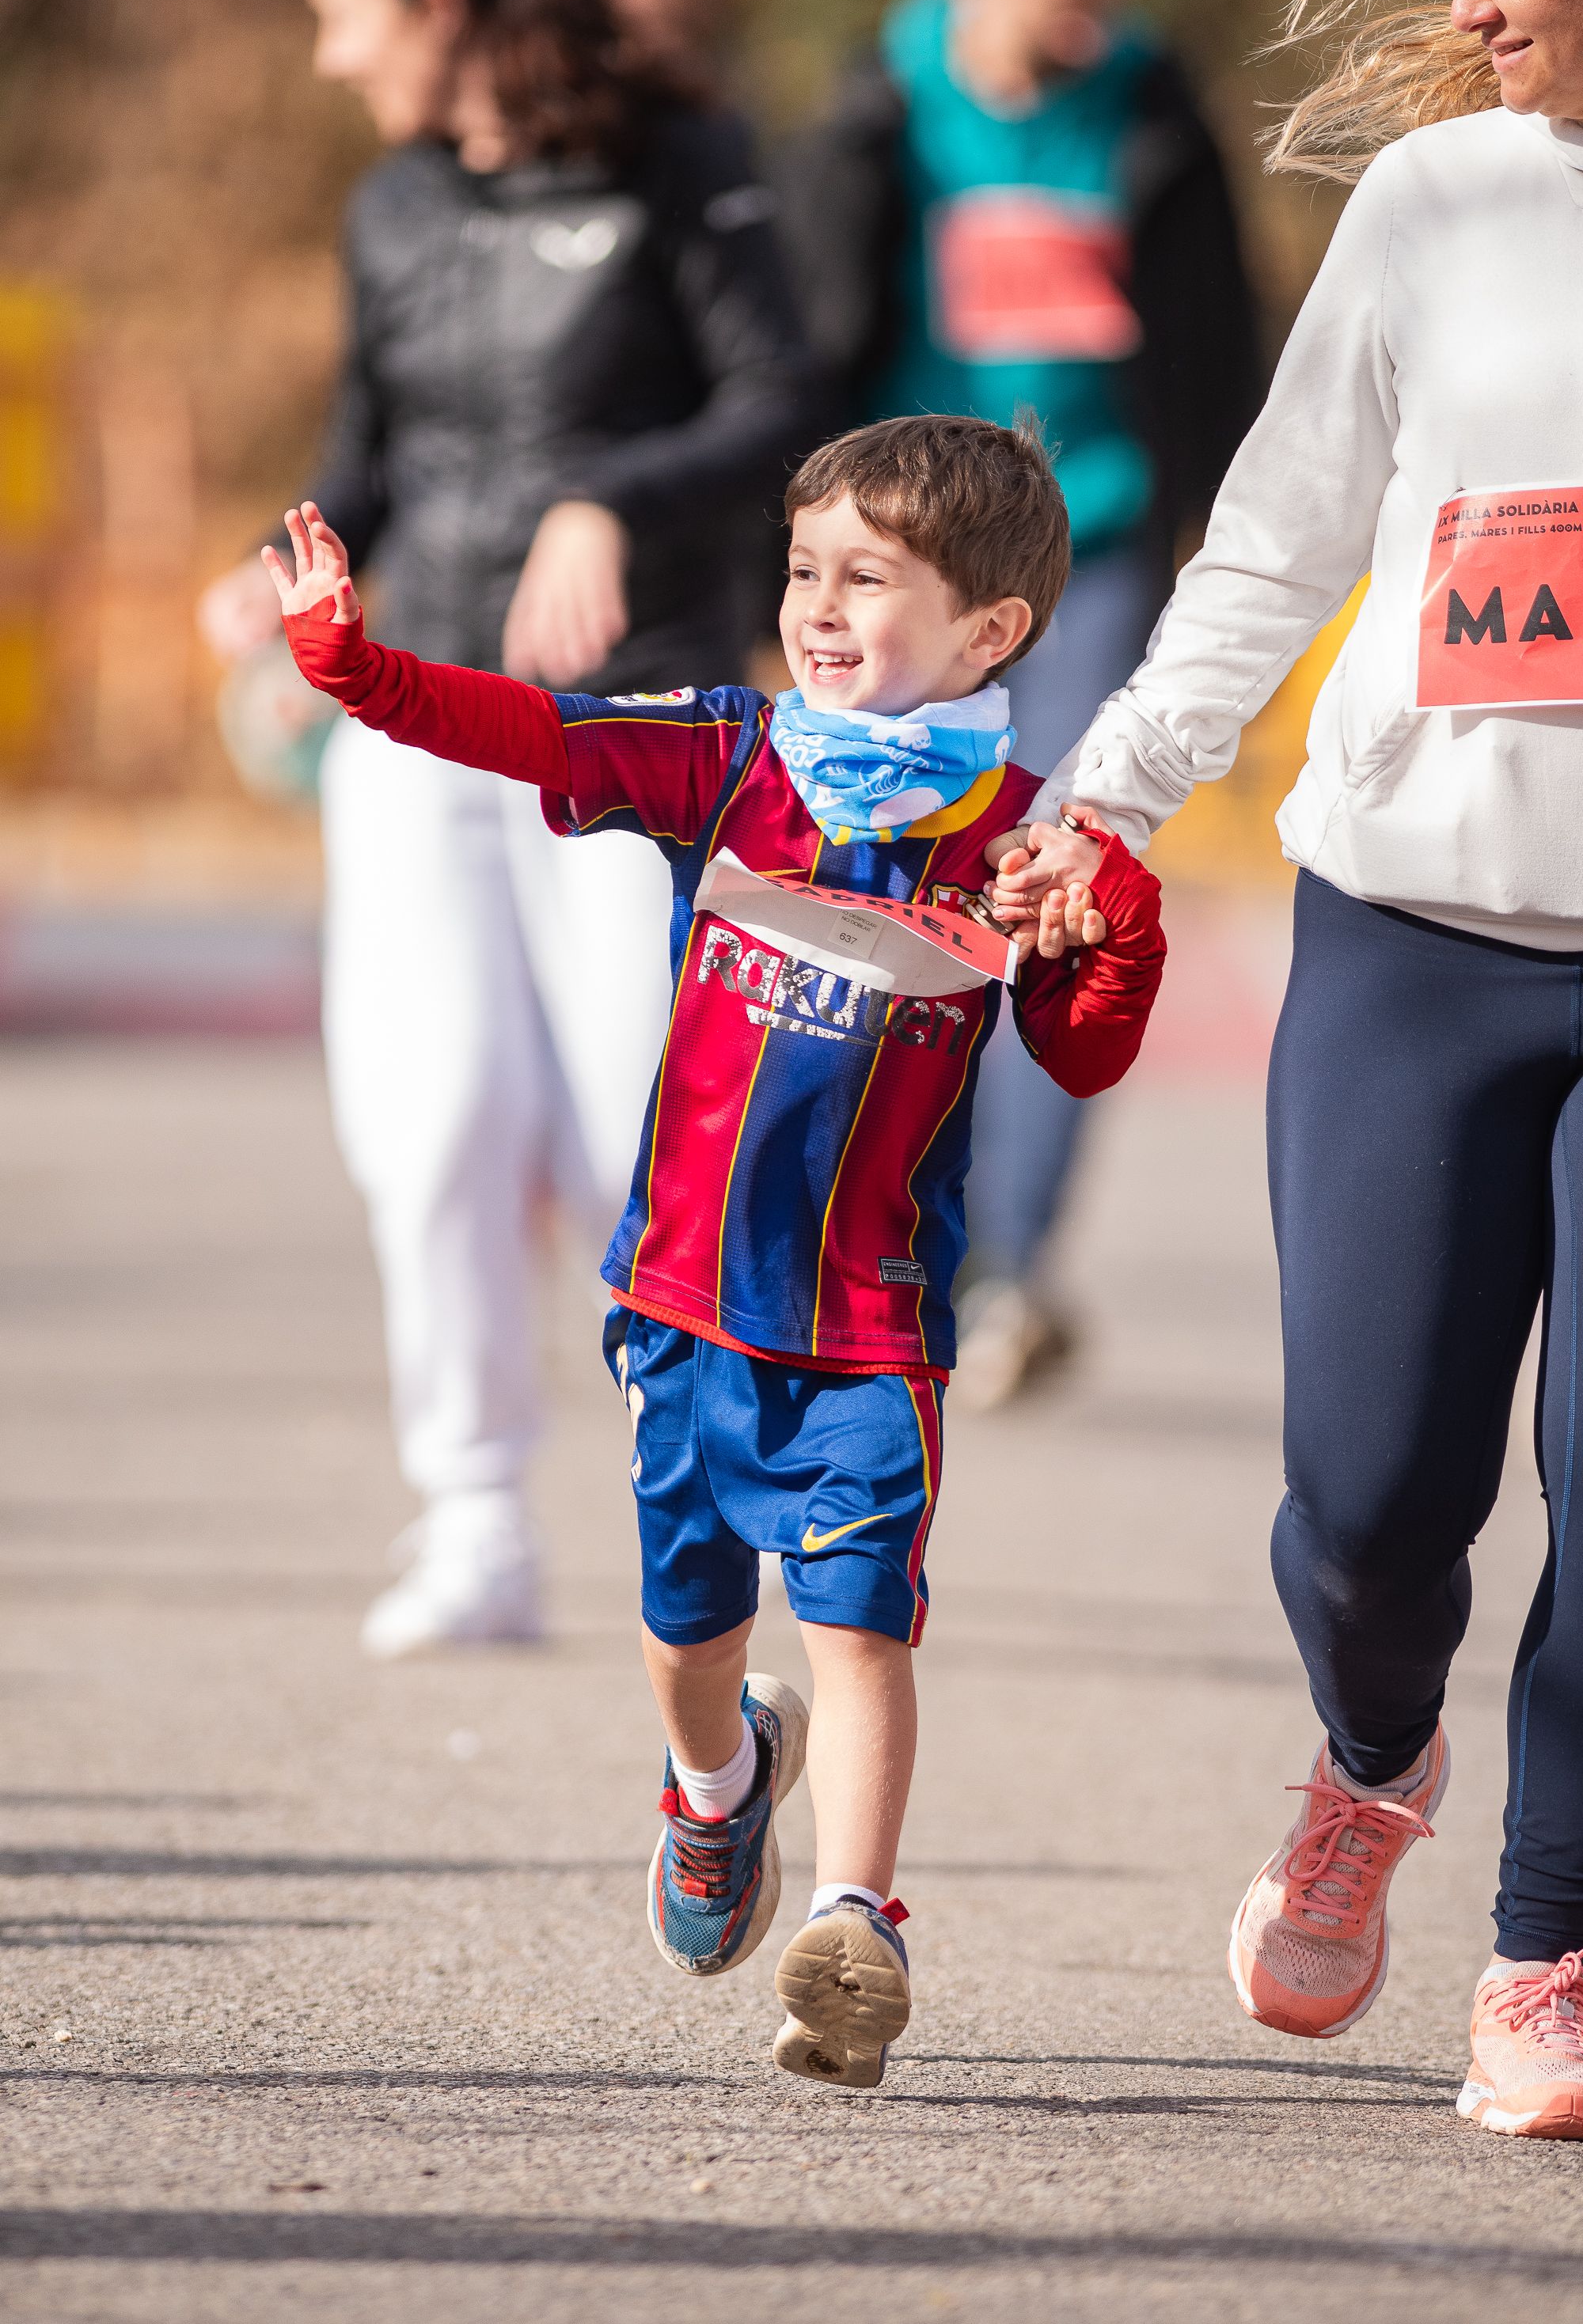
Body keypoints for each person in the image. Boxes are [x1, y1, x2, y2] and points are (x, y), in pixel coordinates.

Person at [266, 411, 1167, 2083]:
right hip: (682, 1305)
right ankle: (717, 1786)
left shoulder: (1029, 843)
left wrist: (1115, 923)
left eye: (868, 580)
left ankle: (856, 1924)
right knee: (692, 1637)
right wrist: (355, 671)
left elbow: (1090, 1049)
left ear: (991, 630)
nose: (818, 605)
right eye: (805, 568)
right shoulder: (736, 757)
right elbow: (531, 729)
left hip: (875, 1330)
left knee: (863, 1624)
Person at [992, 0, 1583, 2138]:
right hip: (1418, 928)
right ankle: (1369, 1758)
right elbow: (1280, 534)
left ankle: (1546, 1950)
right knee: (1368, 1500)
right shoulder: (1439, 200)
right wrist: (1113, 789)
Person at [199, 0, 810, 1658]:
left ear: (445, 2)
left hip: (634, 735)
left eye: (346, 13)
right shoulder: (392, 203)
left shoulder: (685, 165)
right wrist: (283, 573)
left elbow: (784, 406)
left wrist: (607, 500)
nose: (331, 56)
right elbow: (370, 453)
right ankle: (474, 1518)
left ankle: (725, 1504)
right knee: (433, 1124)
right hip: (418, 722)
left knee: (641, 1126)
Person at [776, 0, 1258, 1405]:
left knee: (1054, 876)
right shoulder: (879, 103)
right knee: (884, 893)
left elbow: (1221, 343)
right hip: (899, 572)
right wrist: (794, 584)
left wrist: (1219, 554)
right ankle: (866, 1228)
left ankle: (1004, 1270)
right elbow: (812, 341)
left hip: (1091, 555)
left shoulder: (1153, 104)